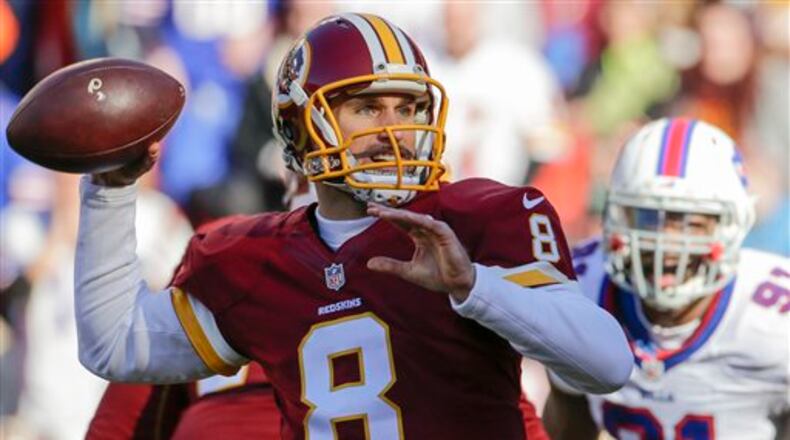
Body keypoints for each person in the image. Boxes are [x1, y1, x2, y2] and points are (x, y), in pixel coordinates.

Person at [73, 13, 632, 439]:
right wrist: (110, 191)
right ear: (302, 127)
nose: (394, 130)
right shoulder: (257, 259)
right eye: (367, 108)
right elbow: (116, 346)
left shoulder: (480, 218)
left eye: (407, 108)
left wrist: (474, 287)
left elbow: (607, 364)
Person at [543, 117, 790, 439]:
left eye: (690, 222)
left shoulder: (775, 321)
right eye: (648, 217)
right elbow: (565, 423)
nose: (668, 243)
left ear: (731, 225)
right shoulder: (580, 290)